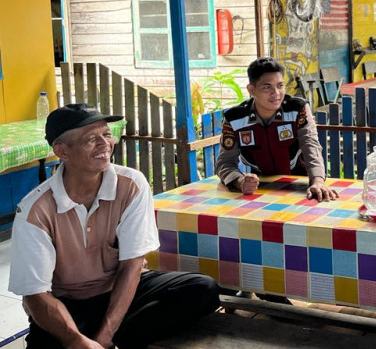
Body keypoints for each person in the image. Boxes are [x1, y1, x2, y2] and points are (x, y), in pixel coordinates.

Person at [9, 104, 220, 349]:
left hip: (120, 289)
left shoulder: (131, 185)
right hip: (66, 302)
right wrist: (78, 342)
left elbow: (132, 266)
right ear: (62, 151)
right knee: (52, 339)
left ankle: (111, 339)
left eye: (107, 134)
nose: (104, 144)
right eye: (90, 139)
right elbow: (36, 295)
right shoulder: (35, 210)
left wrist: (104, 337)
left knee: (201, 289)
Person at [216, 57, 338, 201]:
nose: (276, 93)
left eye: (280, 85)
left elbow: (310, 145)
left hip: (303, 184)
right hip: (261, 189)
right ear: (251, 90)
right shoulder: (235, 118)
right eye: (267, 87)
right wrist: (239, 181)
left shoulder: (297, 109)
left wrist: (318, 181)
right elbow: (224, 163)